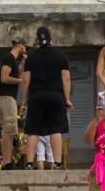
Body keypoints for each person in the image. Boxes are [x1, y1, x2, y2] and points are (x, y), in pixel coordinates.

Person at [19, 26, 72, 169]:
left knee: (33, 130)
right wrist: (66, 99)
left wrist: (24, 100)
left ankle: (29, 163)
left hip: (36, 96)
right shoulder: (60, 56)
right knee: (55, 129)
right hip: (56, 96)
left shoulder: (31, 57)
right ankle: (58, 163)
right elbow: (66, 79)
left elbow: (25, 80)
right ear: (50, 38)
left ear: (37, 39)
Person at [0, 39, 26, 169]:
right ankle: (6, 162)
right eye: (24, 46)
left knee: (10, 130)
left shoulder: (13, 60)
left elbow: (18, 73)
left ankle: (7, 162)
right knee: (9, 129)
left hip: (8, 97)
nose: (25, 49)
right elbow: (4, 78)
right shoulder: (8, 58)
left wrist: (24, 62)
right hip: (6, 97)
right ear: (19, 45)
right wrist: (20, 80)